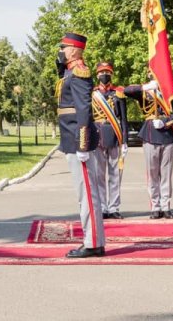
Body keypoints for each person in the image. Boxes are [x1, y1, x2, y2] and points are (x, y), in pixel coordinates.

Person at [55, 32, 105, 258]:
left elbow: (84, 110)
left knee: (87, 194)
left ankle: (93, 243)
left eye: (64, 47)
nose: (61, 51)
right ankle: (93, 240)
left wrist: (83, 145)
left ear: (74, 50)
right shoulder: (70, 73)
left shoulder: (79, 73)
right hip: (71, 139)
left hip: (78, 140)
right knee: (84, 193)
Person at [124, 70, 173, 219]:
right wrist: (146, 87)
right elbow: (126, 91)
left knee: (166, 175)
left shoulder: (171, 93)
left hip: (167, 135)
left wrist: (165, 122)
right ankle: (155, 206)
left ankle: (166, 206)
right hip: (150, 134)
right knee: (152, 174)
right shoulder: (145, 92)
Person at [91, 61, 129, 220]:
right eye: (101, 72)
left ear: (111, 74)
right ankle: (102, 207)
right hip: (98, 136)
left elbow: (124, 119)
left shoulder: (118, 93)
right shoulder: (92, 94)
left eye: (107, 72)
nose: (104, 75)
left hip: (114, 135)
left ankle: (113, 207)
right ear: (97, 75)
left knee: (114, 174)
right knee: (99, 174)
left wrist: (125, 141)